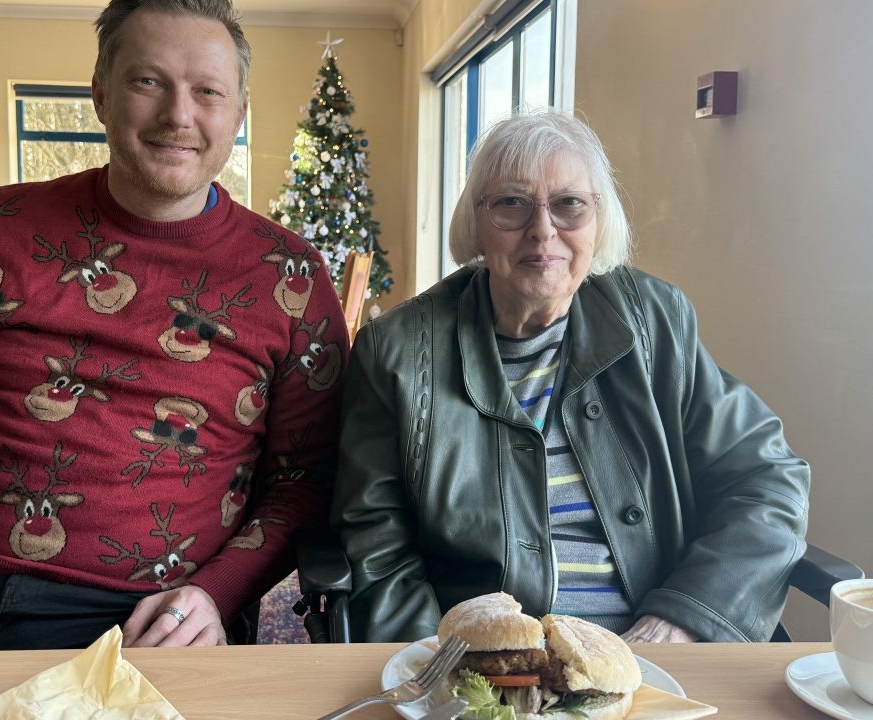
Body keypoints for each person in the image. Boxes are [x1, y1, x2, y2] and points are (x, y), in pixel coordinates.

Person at [0, 0, 348, 651]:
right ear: (99, 96)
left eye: (207, 91)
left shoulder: (290, 277)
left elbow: (306, 479)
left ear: (236, 113)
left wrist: (215, 594)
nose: (179, 114)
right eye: (149, 81)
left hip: (155, 625)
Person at [331, 109, 809, 644]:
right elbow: (376, 541)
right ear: (475, 222)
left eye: (569, 204)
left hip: (651, 652)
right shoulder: (396, 353)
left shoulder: (655, 322)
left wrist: (685, 616)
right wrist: (444, 666)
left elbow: (766, 477)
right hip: (488, 664)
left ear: (597, 219)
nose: (542, 230)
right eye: (510, 203)